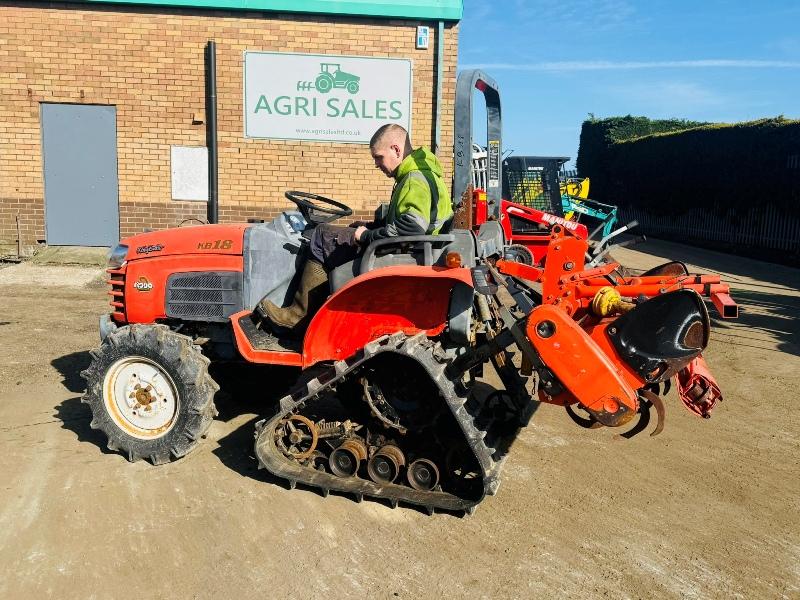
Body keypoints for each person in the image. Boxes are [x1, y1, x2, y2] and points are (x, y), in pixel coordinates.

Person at [255, 123, 453, 337]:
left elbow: (412, 227)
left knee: (321, 236)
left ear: (396, 149)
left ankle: (296, 318)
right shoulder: (419, 175)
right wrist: (369, 227)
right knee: (339, 233)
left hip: (400, 251)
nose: (377, 164)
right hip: (409, 248)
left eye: (378, 157)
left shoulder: (415, 179)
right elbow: (405, 221)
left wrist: (367, 235)